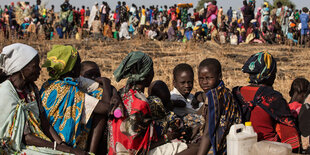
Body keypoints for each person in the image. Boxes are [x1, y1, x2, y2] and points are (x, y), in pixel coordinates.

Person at [0, 43, 84, 154]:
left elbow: (44, 121)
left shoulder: (31, 90)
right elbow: (24, 137)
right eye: (35, 66)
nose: (40, 70)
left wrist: (61, 144)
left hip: (36, 142)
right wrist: (61, 148)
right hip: (15, 147)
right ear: (21, 67)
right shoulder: (6, 92)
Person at [40, 45, 120, 154]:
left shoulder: (49, 84)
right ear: (71, 67)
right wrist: (106, 82)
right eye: (78, 62)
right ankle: (91, 151)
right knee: (99, 99)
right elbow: (106, 108)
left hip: (47, 137)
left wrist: (114, 92)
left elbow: (97, 87)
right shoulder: (69, 91)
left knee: (99, 93)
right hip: (60, 142)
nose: (80, 65)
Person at [233, 51, 301, 152]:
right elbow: (289, 132)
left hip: (239, 147)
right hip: (267, 149)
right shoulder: (273, 97)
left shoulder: (236, 93)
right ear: (268, 74)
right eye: (273, 73)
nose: (274, 76)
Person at [179, 58, 241, 155]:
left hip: (220, 144)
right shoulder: (223, 91)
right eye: (201, 79)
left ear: (219, 76)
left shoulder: (214, 96)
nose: (204, 82)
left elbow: (208, 133)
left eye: (208, 78)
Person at [109, 51, 155, 154]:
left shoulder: (121, 93)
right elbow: (143, 143)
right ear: (146, 74)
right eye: (151, 69)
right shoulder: (142, 103)